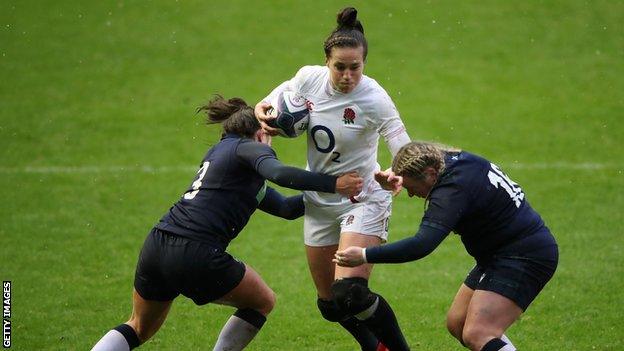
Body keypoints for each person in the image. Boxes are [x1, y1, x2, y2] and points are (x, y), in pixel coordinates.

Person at [90, 95, 364, 351]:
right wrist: (334, 183)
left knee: (138, 327)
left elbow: (285, 208)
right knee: (262, 302)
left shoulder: (222, 155)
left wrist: (340, 195)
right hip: (195, 251)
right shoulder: (246, 148)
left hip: (157, 245)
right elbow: (278, 173)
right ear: (259, 132)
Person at [255, 7, 411, 351]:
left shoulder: (375, 98)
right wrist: (264, 119)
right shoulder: (307, 78)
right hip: (321, 200)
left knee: (350, 292)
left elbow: (402, 145)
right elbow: (266, 103)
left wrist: (396, 174)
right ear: (327, 61)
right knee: (330, 305)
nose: (347, 75)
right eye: (339, 66)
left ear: (364, 64)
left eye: (355, 67)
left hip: (364, 197)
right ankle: (375, 346)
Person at [335, 141, 559, 351]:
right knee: (458, 323)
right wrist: (393, 174)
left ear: (431, 175)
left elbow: (421, 245)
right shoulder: (448, 160)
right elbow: (415, 156)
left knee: (478, 333)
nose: (412, 194)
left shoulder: (452, 192)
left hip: (524, 255)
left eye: (413, 187)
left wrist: (364, 254)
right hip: (498, 253)